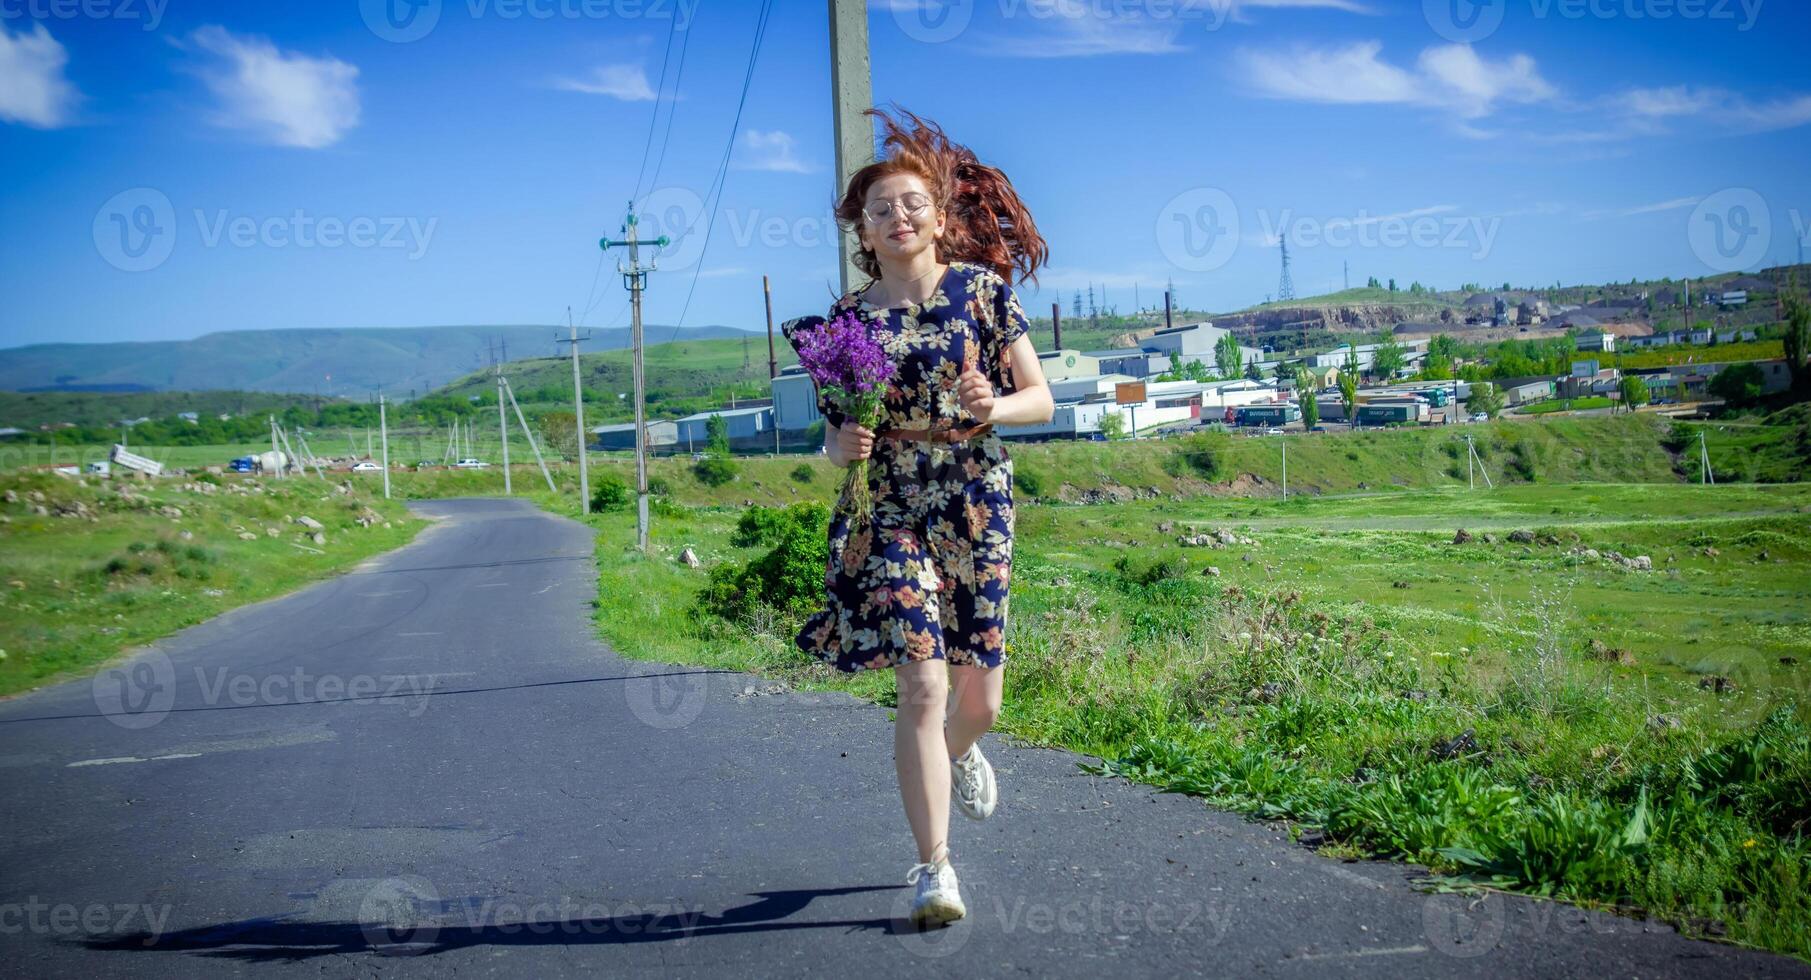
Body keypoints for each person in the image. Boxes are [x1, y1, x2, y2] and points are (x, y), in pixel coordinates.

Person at [781, 106, 1053, 928]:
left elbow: (1039, 400)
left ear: (937, 215)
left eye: (910, 204)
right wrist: (845, 443)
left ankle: (959, 756)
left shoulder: (982, 294)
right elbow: (831, 437)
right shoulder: (843, 323)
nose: (896, 218)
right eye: (878, 210)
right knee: (923, 683)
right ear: (860, 229)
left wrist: (992, 405)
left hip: (974, 495)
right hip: (889, 501)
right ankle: (935, 870)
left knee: (980, 704)